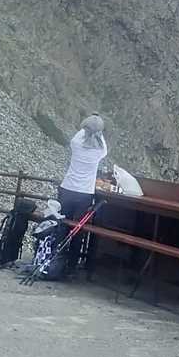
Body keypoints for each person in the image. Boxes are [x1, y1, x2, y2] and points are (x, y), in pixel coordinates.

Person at [55, 114, 107, 275]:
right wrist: (98, 128)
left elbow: (81, 132)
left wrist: (90, 123)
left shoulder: (76, 143)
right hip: (84, 194)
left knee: (61, 225)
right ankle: (71, 266)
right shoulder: (99, 151)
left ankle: (54, 261)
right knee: (77, 230)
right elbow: (101, 141)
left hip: (67, 189)